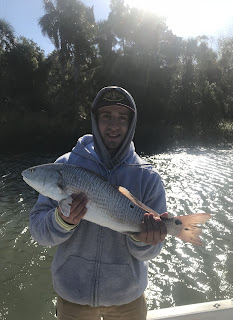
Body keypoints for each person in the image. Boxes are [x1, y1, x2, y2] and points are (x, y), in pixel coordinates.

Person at [29, 86, 168, 320]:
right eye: (106, 116)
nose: (114, 125)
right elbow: (38, 232)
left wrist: (144, 240)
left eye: (122, 118)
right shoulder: (64, 166)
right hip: (73, 296)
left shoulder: (148, 177)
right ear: (95, 120)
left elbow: (152, 251)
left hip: (128, 299)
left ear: (131, 123)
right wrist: (61, 221)